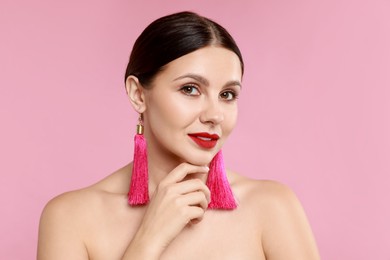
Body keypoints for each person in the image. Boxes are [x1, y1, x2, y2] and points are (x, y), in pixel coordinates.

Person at [37, 11, 320, 260]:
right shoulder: (70, 218)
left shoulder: (271, 206)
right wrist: (149, 239)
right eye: (190, 89)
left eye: (227, 94)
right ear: (138, 94)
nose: (215, 114)